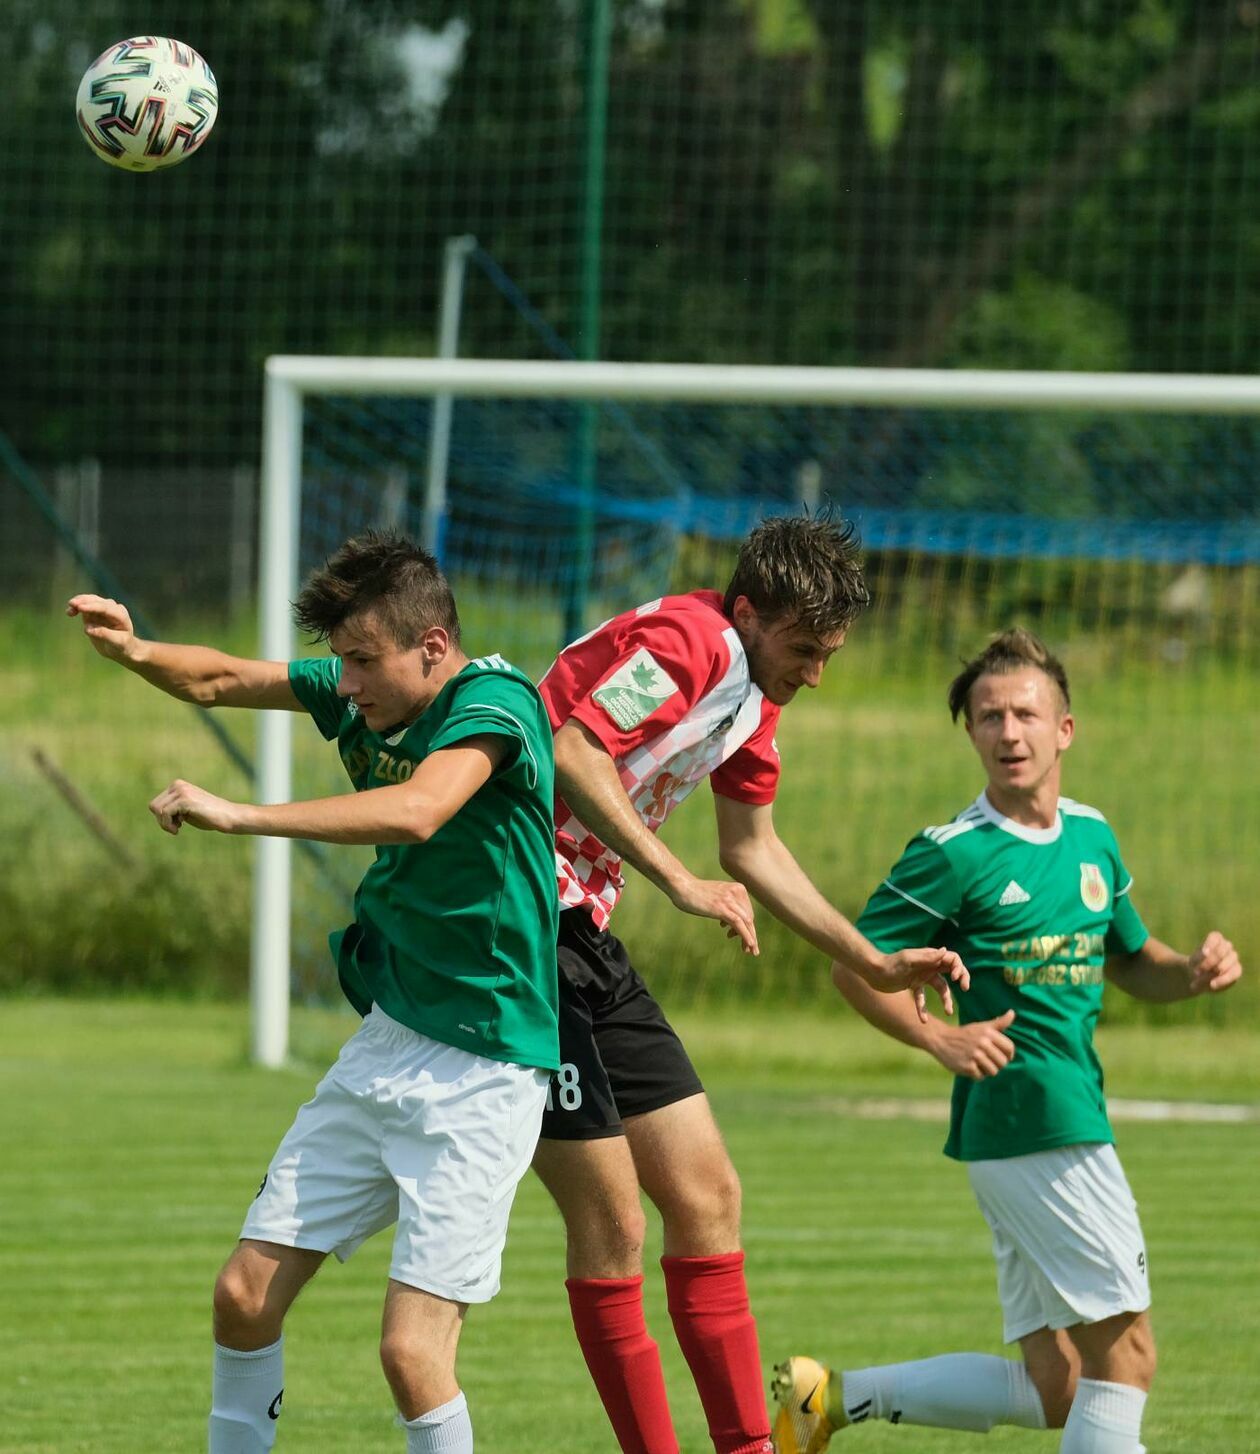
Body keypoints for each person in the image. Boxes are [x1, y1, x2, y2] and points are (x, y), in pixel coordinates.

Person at [67, 530, 560, 1454]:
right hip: (390, 1042)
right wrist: (136, 651)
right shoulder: (361, 692)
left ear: (434, 649)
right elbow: (219, 678)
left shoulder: (495, 703)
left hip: (486, 1070)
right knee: (242, 1296)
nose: (349, 684)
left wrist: (239, 813)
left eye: (365, 662)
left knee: (412, 1355)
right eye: (341, 663)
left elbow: (420, 811)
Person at [530, 511, 971, 1454]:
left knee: (707, 1194)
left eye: (830, 654)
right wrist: (680, 882)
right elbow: (573, 748)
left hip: (579, 933)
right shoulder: (690, 641)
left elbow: (752, 849)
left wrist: (874, 961)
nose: (816, 673)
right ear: (748, 611)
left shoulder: (754, 696)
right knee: (613, 1225)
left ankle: (750, 1448)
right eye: (805, 648)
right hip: (509, 924)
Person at [771, 627, 1243, 1454]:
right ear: (971, 734)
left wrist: (1193, 974)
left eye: (1026, 713)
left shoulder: (1093, 837)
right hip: (1037, 1123)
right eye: (989, 717)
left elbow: (1133, 959)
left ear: (1066, 728)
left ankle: (828, 1400)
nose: (1008, 732)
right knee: (1126, 1358)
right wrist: (938, 1043)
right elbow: (857, 970)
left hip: (1039, 1127)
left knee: (1056, 1387)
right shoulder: (953, 854)